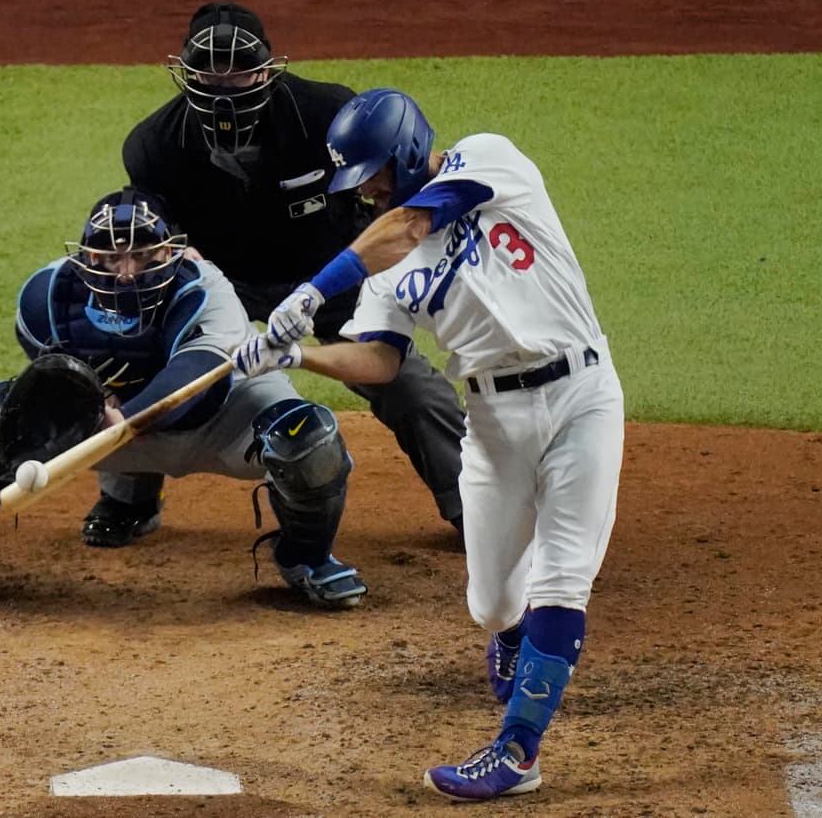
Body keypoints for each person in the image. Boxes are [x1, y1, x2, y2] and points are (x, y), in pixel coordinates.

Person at [234, 89, 625, 800]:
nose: (370, 190)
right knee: (493, 605)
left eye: (376, 173)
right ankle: (521, 631)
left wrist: (311, 292)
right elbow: (379, 361)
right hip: (493, 422)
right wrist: (298, 357)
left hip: (581, 398)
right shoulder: (384, 264)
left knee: (563, 577)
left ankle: (517, 752)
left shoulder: (487, 159)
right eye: (360, 182)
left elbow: (412, 223)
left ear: (410, 151)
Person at [0, 187, 366, 610]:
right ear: (86, 257)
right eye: (110, 256)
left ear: (174, 252)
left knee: (307, 439)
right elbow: (52, 389)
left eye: (143, 255)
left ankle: (306, 558)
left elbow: (195, 378)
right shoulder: (46, 297)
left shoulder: (206, 290)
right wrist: (71, 419)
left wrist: (119, 416)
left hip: (220, 417)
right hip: (107, 426)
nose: (126, 271)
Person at [85, 0, 466, 546]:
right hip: (223, 286)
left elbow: (384, 193)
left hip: (331, 278)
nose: (224, 85)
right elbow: (151, 238)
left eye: (237, 68)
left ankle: (468, 503)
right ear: (186, 75)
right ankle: (128, 496)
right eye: (209, 71)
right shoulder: (153, 146)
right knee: (146, 359)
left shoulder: (326, 115)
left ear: (267, 69)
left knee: (408, 386)